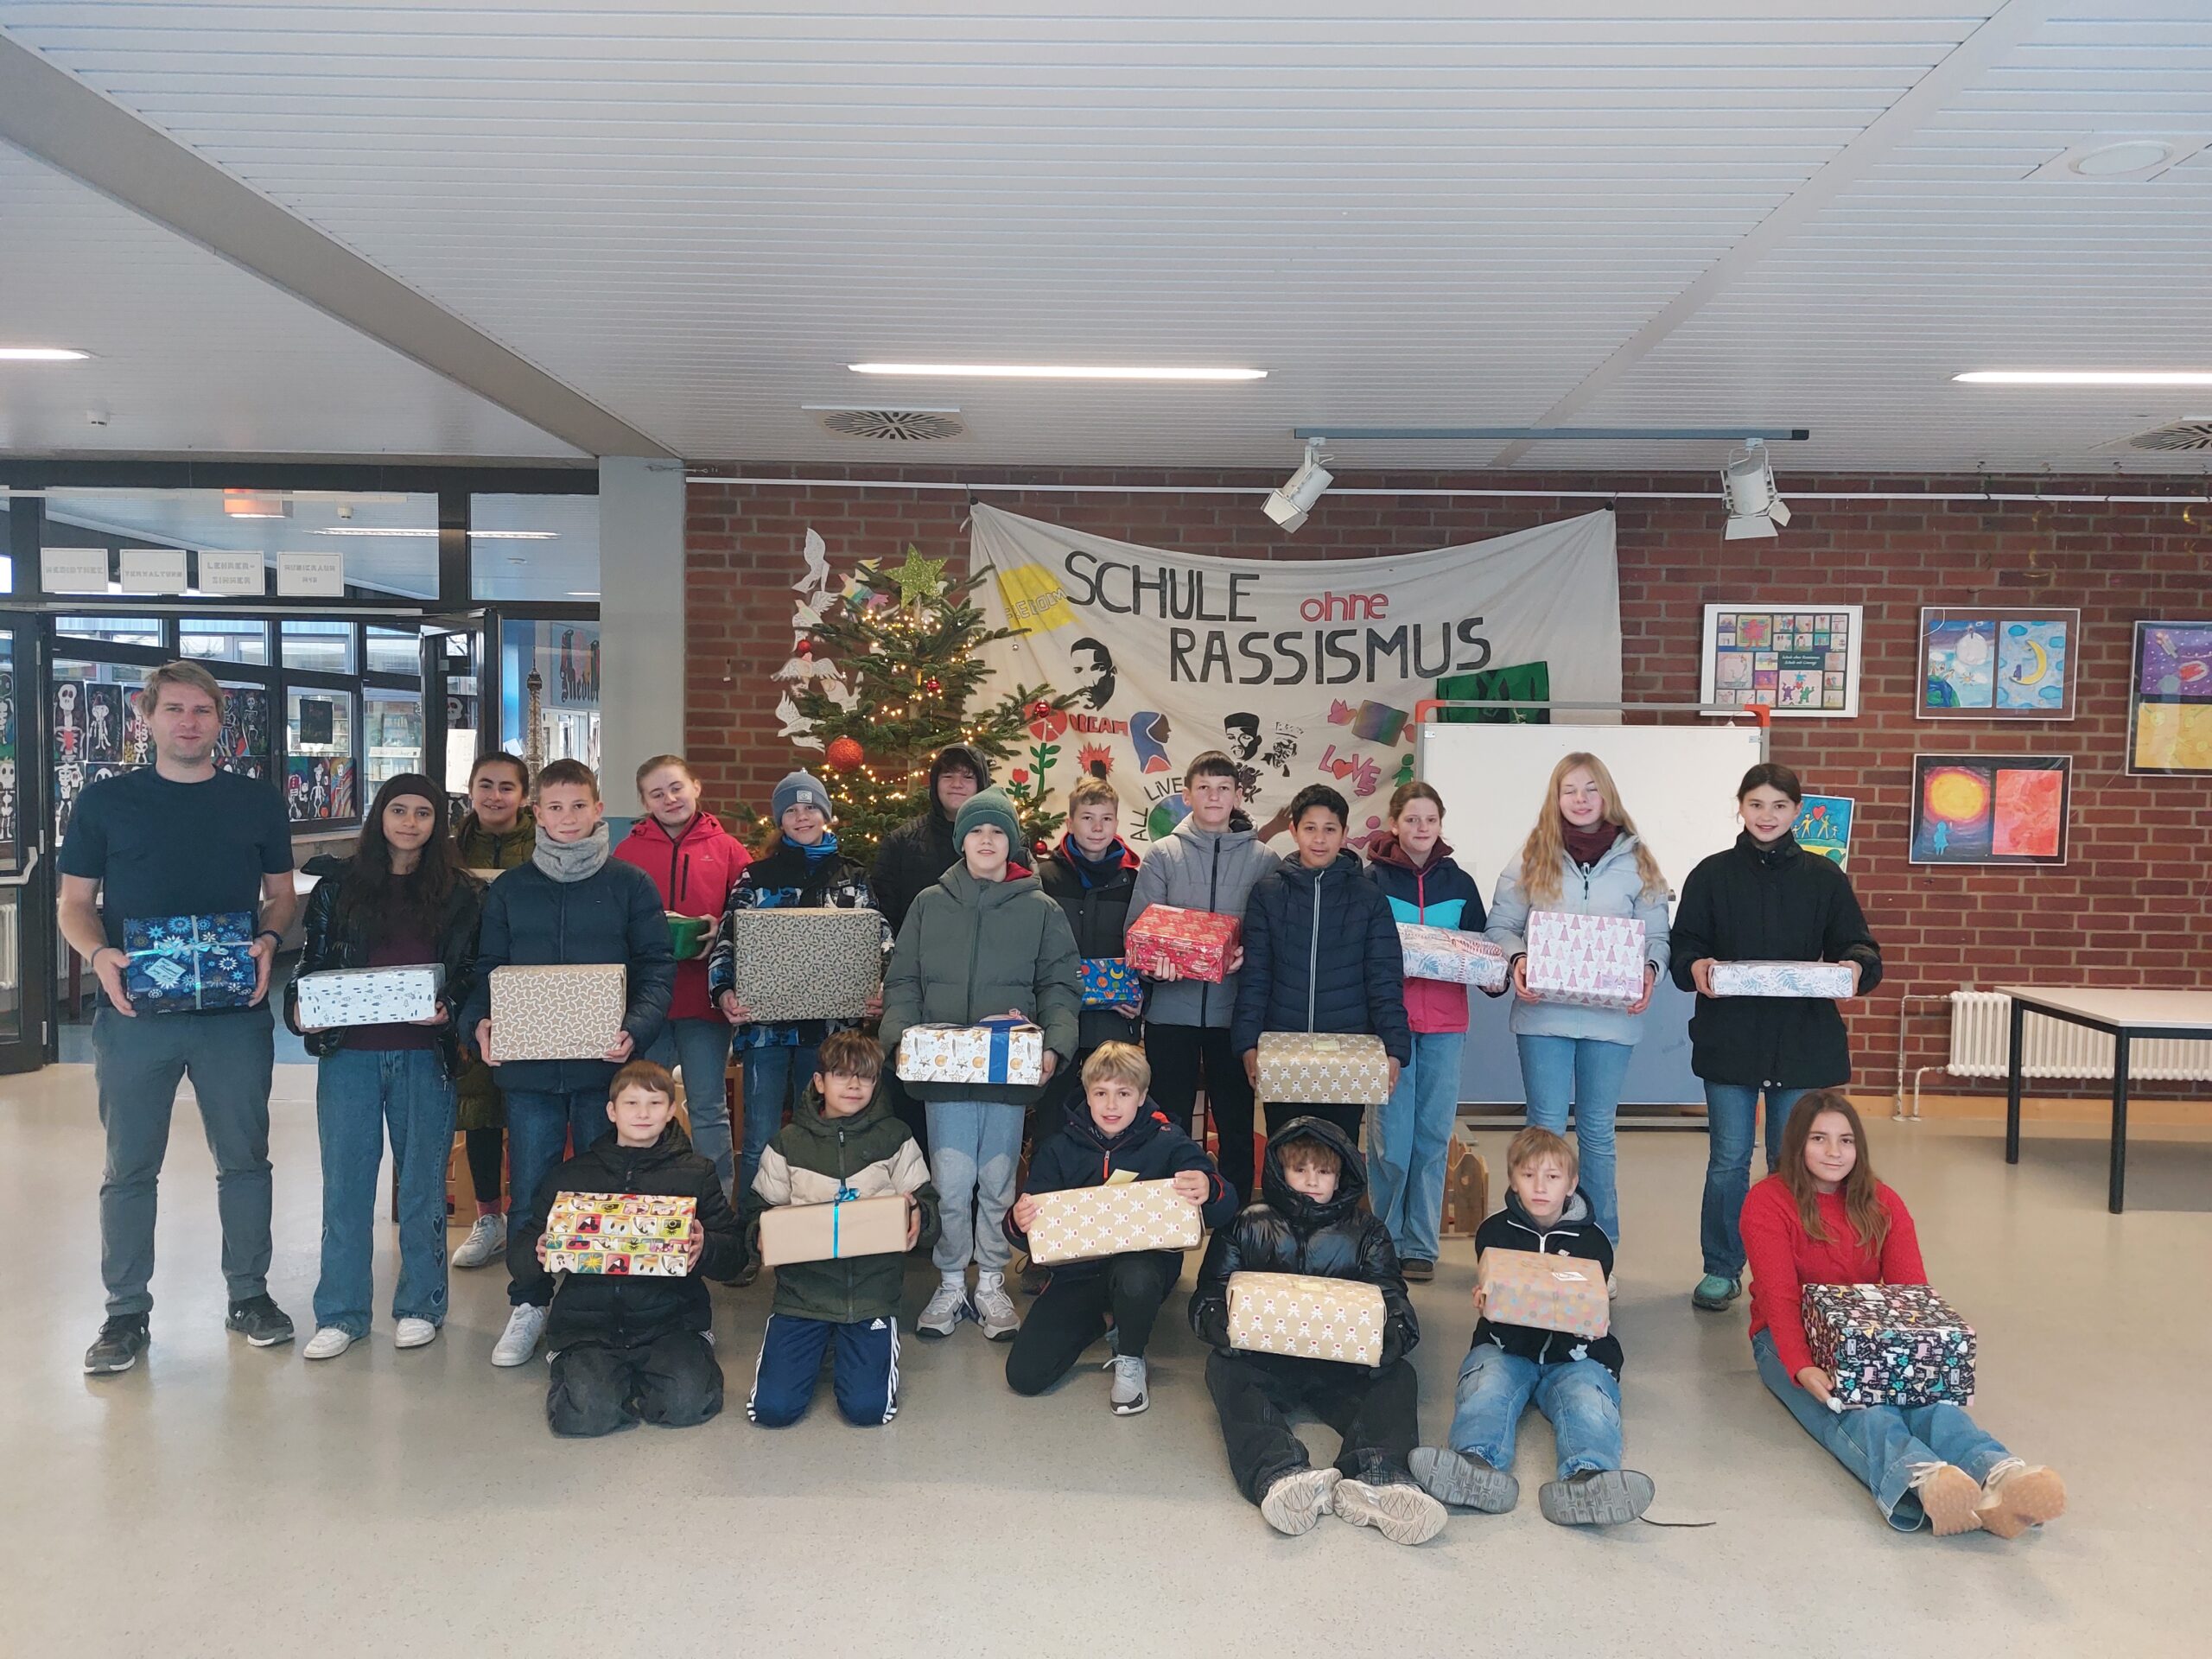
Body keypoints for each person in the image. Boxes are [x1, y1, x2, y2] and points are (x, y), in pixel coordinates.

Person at [60, 661, 300, 1375]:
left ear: (220, 721)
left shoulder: (255, 803)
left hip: (233, 1014)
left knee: (245, 1161)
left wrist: (267, 939)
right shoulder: (105, 804)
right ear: (147, 717)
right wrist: (101, 956)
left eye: (202, 710)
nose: (188, 722)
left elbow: (282, 897)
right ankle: (125, 1313)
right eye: (174, 710)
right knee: (129, 1167)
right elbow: (75, 904)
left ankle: (249, 1295)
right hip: (137, 1013)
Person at [1745, 1092, 2065, 1537]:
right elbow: (1779, 1299)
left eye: (1846, 1140)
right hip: (1787, 1341)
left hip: (1873, 1336)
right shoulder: (1767, 1201)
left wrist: (1918, 1364)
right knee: (1860, 1408)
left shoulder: (1883, 1202)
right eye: (1819, 1139)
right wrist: (1801, 1367)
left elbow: (1911, 1295)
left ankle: (1998, 1475)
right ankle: (1925, 1480)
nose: (1835, 1152)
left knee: (1929, 1400)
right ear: (1796, 1144)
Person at [461, 759, 677, 1368]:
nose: (566, 818)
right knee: (531, 1192)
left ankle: (588, 1308)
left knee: (604, 1192)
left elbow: (657, 968)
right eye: (553, 807)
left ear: (598, 807)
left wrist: (635, 1031)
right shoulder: (509, 891)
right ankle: (530, 1301)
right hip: (529, 1077)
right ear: (537, 813)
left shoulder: (630, 885)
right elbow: (486, 974)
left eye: (577, 806)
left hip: (602, 1075)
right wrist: (479, 1023)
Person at [284, 774, 483, 1359]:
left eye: (424, 813)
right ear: (380, 815)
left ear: (436, 824)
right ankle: (341, 1312)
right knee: (345, 1185)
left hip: (425, 1057)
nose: (410, 822)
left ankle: (422, 1304)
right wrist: (301, 1010)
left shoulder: (461, 893)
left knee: (422, 1186)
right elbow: (311, 963)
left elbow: (470, 969)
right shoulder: (337, 888)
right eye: (399, 809)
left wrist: (450, 1011)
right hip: (350, 1055)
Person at [1672, 763, 1883, 1313]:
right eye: (1756, 804)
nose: (1767, 816)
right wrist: (1695, 966)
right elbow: (1683, 947)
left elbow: (1860, 947)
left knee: (1794, 1163)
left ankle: (1793, 1271)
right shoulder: (1711, 875)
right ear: (1740, 807)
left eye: (1779, 806)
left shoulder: (1824, 878)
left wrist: (1856, 968)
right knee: (1728, 1159)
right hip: (1730, 1042)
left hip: (1802, 1045)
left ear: (1796, 812)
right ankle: (1721, 1268)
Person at [880, 785, 1081, 1342]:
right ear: (961, 840)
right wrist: (898, 1038)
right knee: (949, 1180)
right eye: (976, 831)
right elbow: (903, 982)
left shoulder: (1040, 910)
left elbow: (1061, 985)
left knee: (995, 1181)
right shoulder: (929, 904)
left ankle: (990, 1280)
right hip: (943, 1075)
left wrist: (1053, 1047)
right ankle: (949, 1282)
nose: (986, 840)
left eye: (997, 832)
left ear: (1011, 842)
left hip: (1007, 1073)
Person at [1188, 1119, 1442, 1545]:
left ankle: (1378, 1475)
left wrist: (1396, 1331)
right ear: (1279, 1171)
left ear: (1340, 1176)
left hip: (1341, 1367)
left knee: (1400, 1376)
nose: (1311, 1181)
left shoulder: (1368, 1232)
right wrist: (1216, 1319)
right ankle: (1280, 1472)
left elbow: (1391, 1295)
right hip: (1265, 1360)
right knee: (1223, 1370)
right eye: (1299, 1170)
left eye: (1323, 1172)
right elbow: (1210, 1291)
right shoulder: (1246, 1224)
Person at [1410, 1127, 1653, 1526]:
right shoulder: (1493, 1233)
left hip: (1576, 1356)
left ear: (1572, 1184)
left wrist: (1595, 1314)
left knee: (1588, 1401)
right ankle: (1475, 1462)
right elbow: (1497, 1287)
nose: (1540, 1187)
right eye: (1528, 1176)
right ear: (1512, 1179)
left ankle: (1587, 1478)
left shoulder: (1595, 1243)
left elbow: (1591, 1302)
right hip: (1507, 1348)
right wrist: (1486, 1300)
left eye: (1553, 1177)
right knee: (1487, 1386)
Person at [708, 769, 890, 1286]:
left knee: (826, 1130)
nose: (802, 816)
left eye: (811, 808)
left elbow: (880, 942)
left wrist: (880, 989)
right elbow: (728, 942)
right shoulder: (755, 877)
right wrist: (725, 992)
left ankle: (821, 1237)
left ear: (826, 814)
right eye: (791, 809)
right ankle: (750, 1239)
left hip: (830, 1036)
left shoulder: (852, 877)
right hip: (766, 1032)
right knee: (762, 1132)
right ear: (779, 818)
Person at [1484, 752, 1670, 1252]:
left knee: (1597, 1134)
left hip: (1613, 1023)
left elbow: (1657, 936)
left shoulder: (1637, 859)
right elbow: (1500, 926)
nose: (1581, 799)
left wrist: (1651, 969)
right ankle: (1531, 1242)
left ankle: (1598, 1247)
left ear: (1606, 795)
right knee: (1542, 1130)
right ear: (1556, 797)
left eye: (1591, 789)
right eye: (1570, 790)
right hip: (1543, 1016)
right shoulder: (1530, 856)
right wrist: (1518, 959)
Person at [509, 1061, 744, 1437]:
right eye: (632, 1104)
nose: (643, 1113)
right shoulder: (573, 1176)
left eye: (654, 1104)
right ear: (611, 1111)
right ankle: (591, 1372)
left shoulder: (696, 1174)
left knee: (686, 1405)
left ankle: (666, 1367)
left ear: (671, 1111)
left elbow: (735, 1256)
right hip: (589, 1326)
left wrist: (708, 1246)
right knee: (587, 1417)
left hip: (670, 1323)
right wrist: (537, 1254)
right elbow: (521, 1253)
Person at [1003, 1043, 1236, 1413]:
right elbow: (1029, 1232)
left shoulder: (1169, 1142)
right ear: (1088, 1095)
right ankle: (1104, 1319)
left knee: (1135, 1276)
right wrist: (1018, 1221)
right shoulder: (1058, 1148)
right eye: (1101, 1094)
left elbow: (1226, 1205)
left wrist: (1209, 1188)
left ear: (1142, 1097)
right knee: (1025, 1376)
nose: (1111, 1106)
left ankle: (1130, 1356)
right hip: (1076, 1275)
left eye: (1124, 1094)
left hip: (1143, 1268)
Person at [744, 1031, 939, 1427]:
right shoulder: (786, 1144)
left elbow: (930, 1209)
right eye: (841, 1075)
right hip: (802, 1295)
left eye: (865, 1077)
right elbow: (755, 1215)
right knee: (772, 1411)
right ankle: (821, 1342)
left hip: (869, 1295)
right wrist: (758, 1236)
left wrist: (921, 1216)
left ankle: (845, 1343)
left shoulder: (896, 1138)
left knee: (867, 1411)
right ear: (818, 1082)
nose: (854, 1085)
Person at [1128, 750, 1280, 1205]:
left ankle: (1232, 1226)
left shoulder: (1264, 861)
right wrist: (1157, 961)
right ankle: (1167, 1224)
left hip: (1235, 1016)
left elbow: (1273, 936)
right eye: (1204, 788)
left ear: (1238, 795)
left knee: (1235, 1126)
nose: (1214, 797)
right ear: (1187, 794)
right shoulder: (1162, 856)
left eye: (1223, 788)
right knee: (1168, 1123)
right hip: (1170, 1014)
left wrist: (1249, 955)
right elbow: (1139, 931)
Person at [1233, 783, 1410, 1145]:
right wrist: (1247, 1042)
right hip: (1283, 1048)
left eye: (1330, 829)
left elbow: (1384, 978)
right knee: (1285, 1154)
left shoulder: (1369, 898)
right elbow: (1255, 975)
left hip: (1350, 1049)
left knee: (1338, 1157)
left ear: (1345, 834)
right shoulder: (1268, 893)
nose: (1319, 839)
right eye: (1310, 828)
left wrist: (1394, 1048)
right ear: (1294, 830)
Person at [1362, 780, 1486, 1281]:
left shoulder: (1460, 884)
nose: (1421, 829)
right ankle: (1384, 1240)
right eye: (1411, 820)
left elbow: (1481, 947)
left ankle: (1421, 1245)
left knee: (1434, 1135)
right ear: (1394, 824)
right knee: (1390, 1137)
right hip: (1387, 1025)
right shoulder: (1371, 881)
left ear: (1440, 824)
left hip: (1446, 1024)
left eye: (1429, 820)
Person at [613, 752, 751, 1201]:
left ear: (696, 786)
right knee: (642, 1105)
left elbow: (750, 915)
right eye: (657, 793)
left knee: (709, 1108)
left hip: (703, 1001)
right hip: (646, 1005)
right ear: (644, 801)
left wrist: (721, 929)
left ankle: (716, 1207)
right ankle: (644, 1199)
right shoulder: (627, 852)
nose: (669, 798)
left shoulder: (728, 849)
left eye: (676, 787)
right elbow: (613, 920)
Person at [449, 752, 535, 1270]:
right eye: (486, 785)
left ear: (524, 796)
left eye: (507, 787)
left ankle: (531, 1218)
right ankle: (488, 1218)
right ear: (471, 789)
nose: (495, 796)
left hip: (531, 985)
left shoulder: (546, 843)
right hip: (467, 986)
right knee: (478, 1107)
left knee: (530, 1109)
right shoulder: (449, 849)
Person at [1032, 775, 1143, 1135]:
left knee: (1112, 1120)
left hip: (1114, 1022)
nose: (1097, 827)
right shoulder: (1044, 878)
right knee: (1053, 1120)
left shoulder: (1134, 881)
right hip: (1056, 1021)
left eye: (1106, 818)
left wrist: (1142, 998)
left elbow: (1145, 950)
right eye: (1087, 817)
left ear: (1117, 822)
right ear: (1069, 822)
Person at [870, 743, 991, 935]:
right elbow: (884, 915)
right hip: (918, 957)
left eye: (967, 777)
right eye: (948, 776)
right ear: (935, 783)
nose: (957, 784)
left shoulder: (1001, 843)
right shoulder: (901, 842)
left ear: (981, 784)